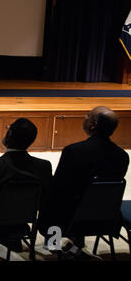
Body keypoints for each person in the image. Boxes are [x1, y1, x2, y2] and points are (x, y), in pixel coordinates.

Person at [39, 106, 129, 258]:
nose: (84, 116)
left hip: (70, 217)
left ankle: (53, 244)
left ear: (93, 124)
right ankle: (76, 244)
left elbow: (59, 188)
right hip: (104, 216)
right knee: (86, 198)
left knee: (51, 198)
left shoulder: (73, 151)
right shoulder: (122, 156)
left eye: (87, 115)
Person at [0, 118, 52, 251]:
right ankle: (14, 237)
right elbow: (46, 200)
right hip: (22, 224)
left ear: (9, 134)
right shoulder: (44, 167)